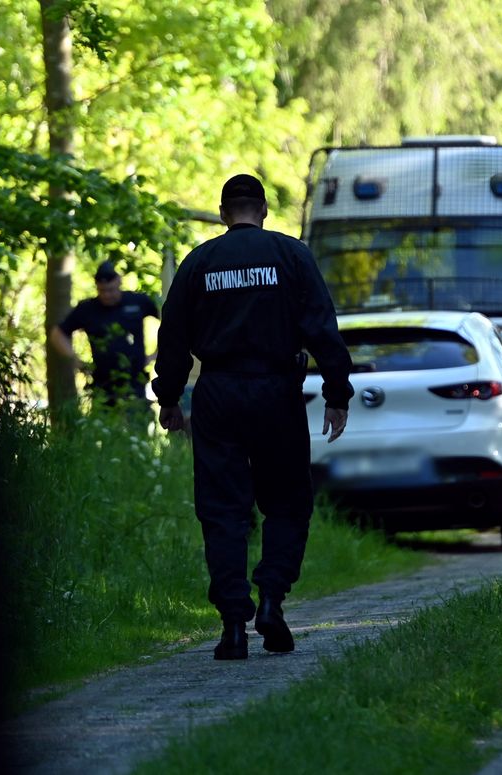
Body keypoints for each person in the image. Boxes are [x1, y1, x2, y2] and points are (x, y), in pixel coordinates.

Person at [152, 174, 354, 661]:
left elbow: (173, 334)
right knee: (286, 502)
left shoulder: (199, 262)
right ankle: (271, 601)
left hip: (217, 394)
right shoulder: (291, 256)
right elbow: (323, 327)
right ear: (263, 210)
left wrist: (170, 397)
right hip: (277, 392)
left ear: (224, 214)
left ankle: (232, 627)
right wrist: (336, 391)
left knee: (223, 509)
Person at [50, 261, 160, 409]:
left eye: (111, 290)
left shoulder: (138, 301)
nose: (107, 295)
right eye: (102, 290)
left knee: (137, 424)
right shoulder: (88, 308)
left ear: (119, 282)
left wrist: (156, 355)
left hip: (135, 383)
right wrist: (75, 360)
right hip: (102, 385)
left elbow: (170, 322)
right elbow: (57, 334)